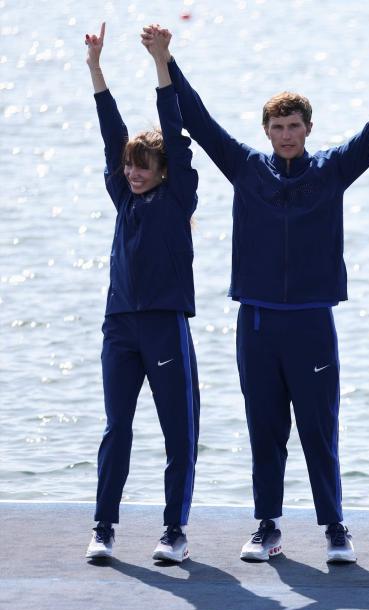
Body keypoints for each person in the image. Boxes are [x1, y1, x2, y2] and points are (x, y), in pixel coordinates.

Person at [141, 25, 369, 563]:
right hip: (259, 323)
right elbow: (195, 118)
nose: (286, 134)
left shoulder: (332, 170)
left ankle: (336, 528)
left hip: (312, 322)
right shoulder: (246, 167)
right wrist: (164, 59)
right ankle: (267, 527)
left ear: (308, 128)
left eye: (294, 126)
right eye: (277, 126)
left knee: (319, 428)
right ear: (266, 130)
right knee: (264, 429)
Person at [83, 22, 200, 563]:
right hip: (120, 327)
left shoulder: (178, 197)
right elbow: (112, 131)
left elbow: (174, 128)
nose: (132, 172)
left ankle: (173, 532)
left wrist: (162, 61)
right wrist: (96, 69)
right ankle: (104, 527)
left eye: (142, 165)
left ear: (162, 171)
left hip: (164, 323)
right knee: (117, 429)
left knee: (179, 431)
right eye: (129, 165)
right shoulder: (123, 196)